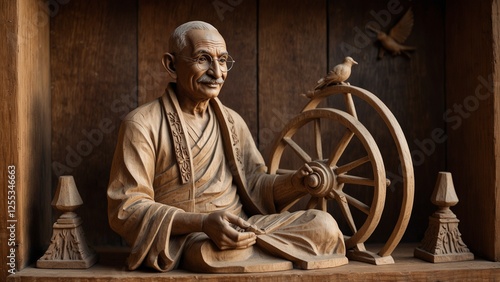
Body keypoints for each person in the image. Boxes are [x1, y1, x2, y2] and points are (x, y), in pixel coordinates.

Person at [107, 21, 347, 273]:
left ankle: (254, 251)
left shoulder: (233, 121)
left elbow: (255, 187)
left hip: (246, 228)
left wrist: (295, 184)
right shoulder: (142, 123)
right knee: (208, 251)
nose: (217, 73)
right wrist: (202, 223)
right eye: (203, 59)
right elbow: (126, 209)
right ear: (171, 64)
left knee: (324, 225)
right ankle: (271, 253)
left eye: (222, 61)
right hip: (192, 237)